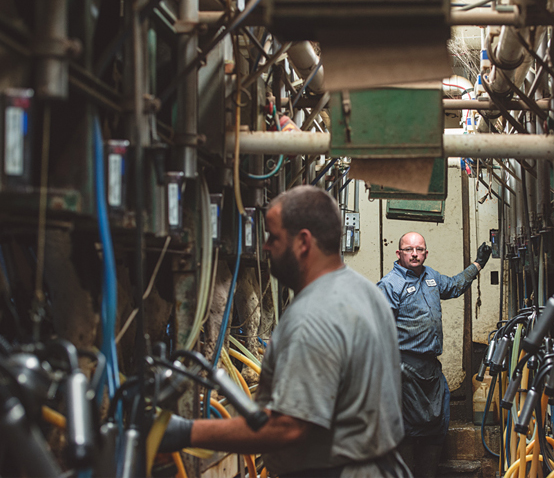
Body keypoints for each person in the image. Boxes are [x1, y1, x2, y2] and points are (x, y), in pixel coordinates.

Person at [159, 185, 408, 477]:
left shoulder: (312, 315)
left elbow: (287, 427)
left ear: (303, 242)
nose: (265, 247)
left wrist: (186, 432)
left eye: (274, 238)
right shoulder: (365, 291)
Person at [377, 232, 491, 478]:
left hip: (430, 368)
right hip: (403, 369)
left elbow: (455, 285)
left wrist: (478, 264)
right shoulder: (390, 285)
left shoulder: (432, 278)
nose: (414, 253)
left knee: (438, 422)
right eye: (409, 249)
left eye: (419, 249)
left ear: (426, 253)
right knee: (405, 427)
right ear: (399, 254)